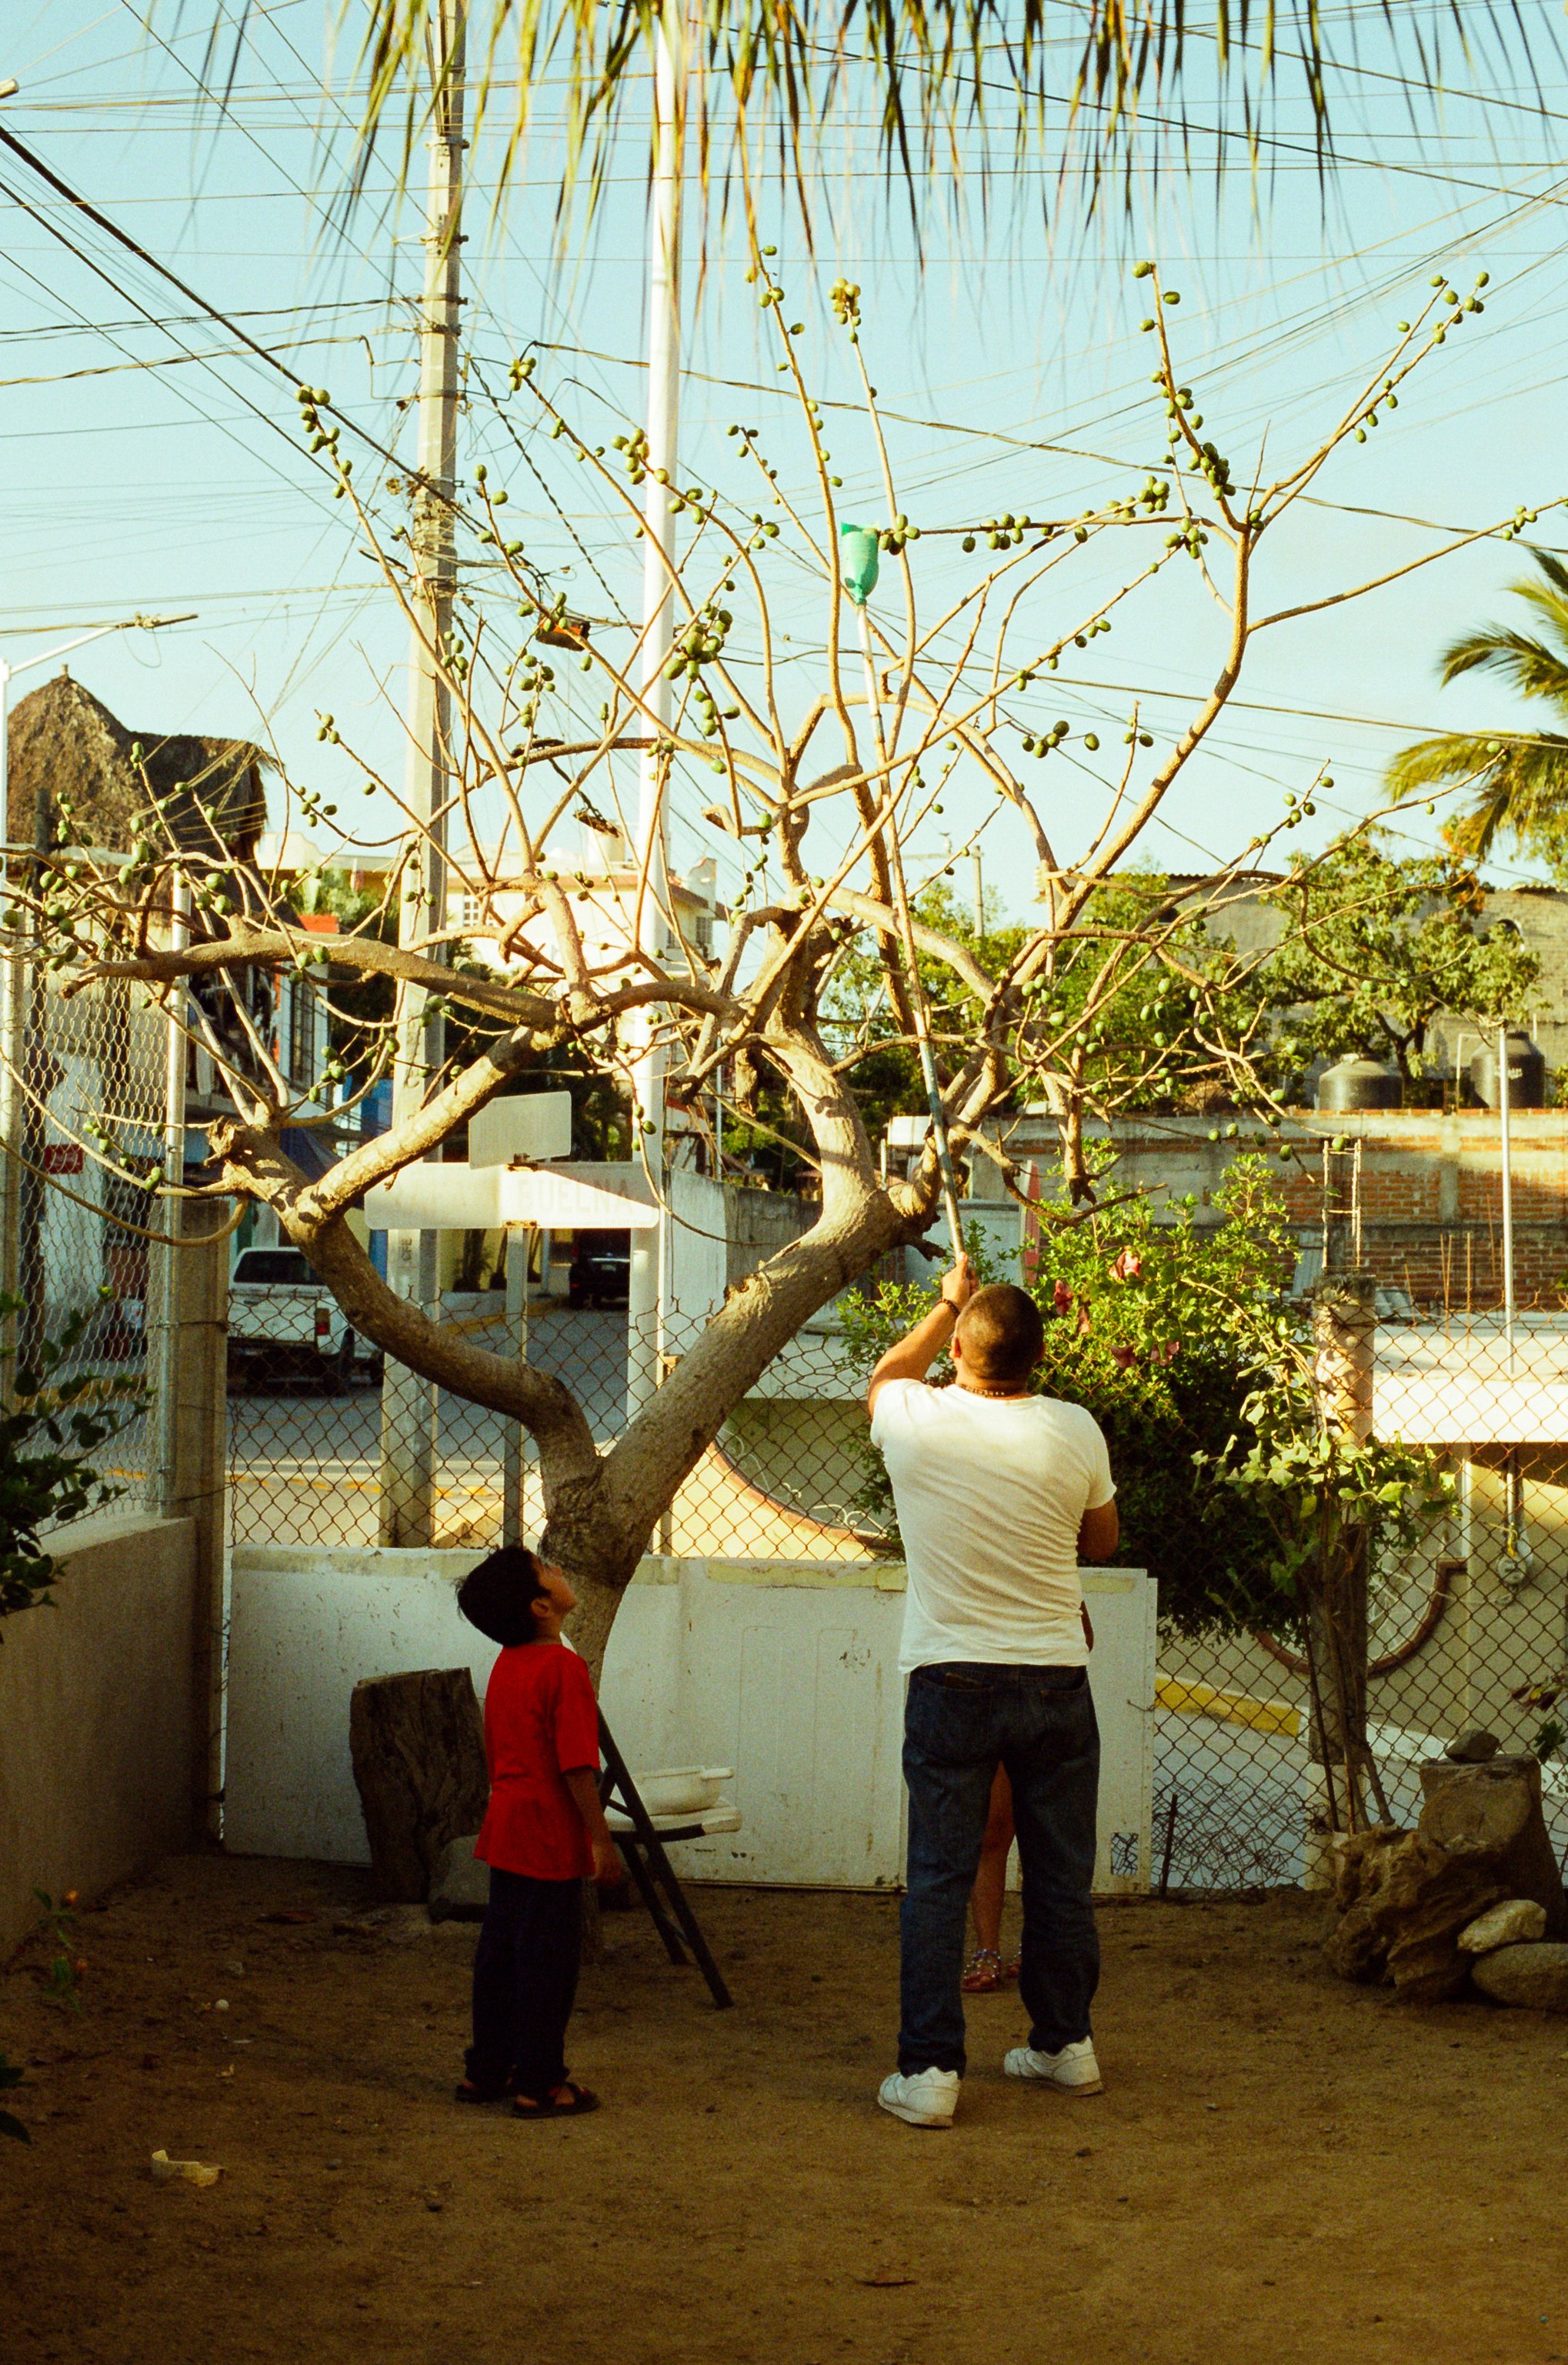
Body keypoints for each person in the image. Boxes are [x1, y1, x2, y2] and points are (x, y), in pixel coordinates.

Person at [867, 1254, 1119, 2130]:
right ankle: (1065, 2043)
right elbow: (1100, 1541)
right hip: (1054, 1674)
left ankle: (932, 2070)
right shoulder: (1075, 1427)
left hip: (951, 1674)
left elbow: (887, 1373)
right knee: (1059, 1873)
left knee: (938, 1876)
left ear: (964, 1351)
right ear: (1036, 1357)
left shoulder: (913, 1413)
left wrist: (941, 1306)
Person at [453, 1543, 623, 2120]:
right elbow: (577, 1764)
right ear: (541, 1607)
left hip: (507, 1826)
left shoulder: (508, 1664)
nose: (560, 1572)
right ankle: (540, 2083)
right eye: (549, 1572)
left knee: (500, 1955)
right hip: (548, 1834)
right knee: (547, 1964)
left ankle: (486, 2070)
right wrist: (600, 1838)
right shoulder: (563, 1668)